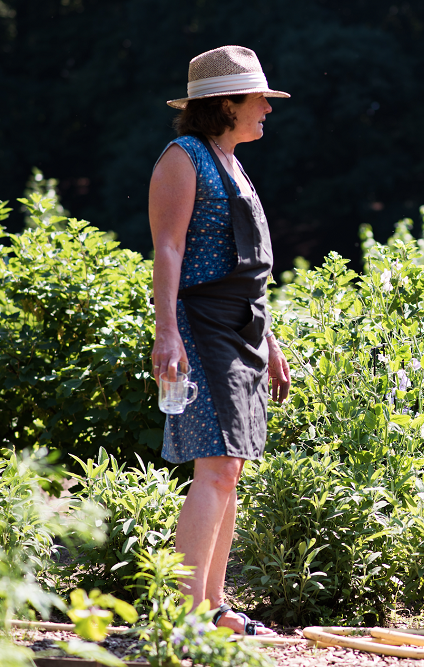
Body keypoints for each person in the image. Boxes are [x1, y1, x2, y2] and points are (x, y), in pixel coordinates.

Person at [149, 45, 291, 636]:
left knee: (228, 468)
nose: (267, 107)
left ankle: (213, 605)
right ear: (224, 103)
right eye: (258, 98)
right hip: (200, 326)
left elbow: (250, 273)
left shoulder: (232, 161)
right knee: (213, 468)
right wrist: (166, 333)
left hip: (244, 330)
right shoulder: (183, 159)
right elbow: (169, 248)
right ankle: (186, 617)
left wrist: (273, 345)